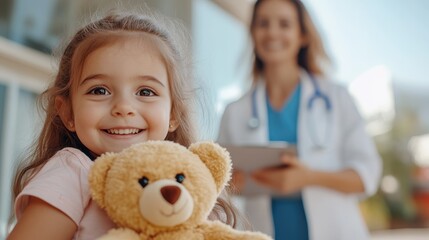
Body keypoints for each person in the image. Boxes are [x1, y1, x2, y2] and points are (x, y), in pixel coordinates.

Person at [7, 10, 237, 240]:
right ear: (67, 112)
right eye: (99, 90)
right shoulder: (73, 172)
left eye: (146, 92)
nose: (123, 107)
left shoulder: (188, 182)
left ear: (174, 112)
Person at [217, 0, 382, 239]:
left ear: (302, 35)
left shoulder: (337, 99)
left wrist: (308, 178)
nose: (272, 32)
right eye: (263, 23)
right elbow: (219, 181)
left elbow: (366, 176)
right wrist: (233, 182)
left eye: (284, 24)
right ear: (253, 32)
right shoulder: (235, 112)